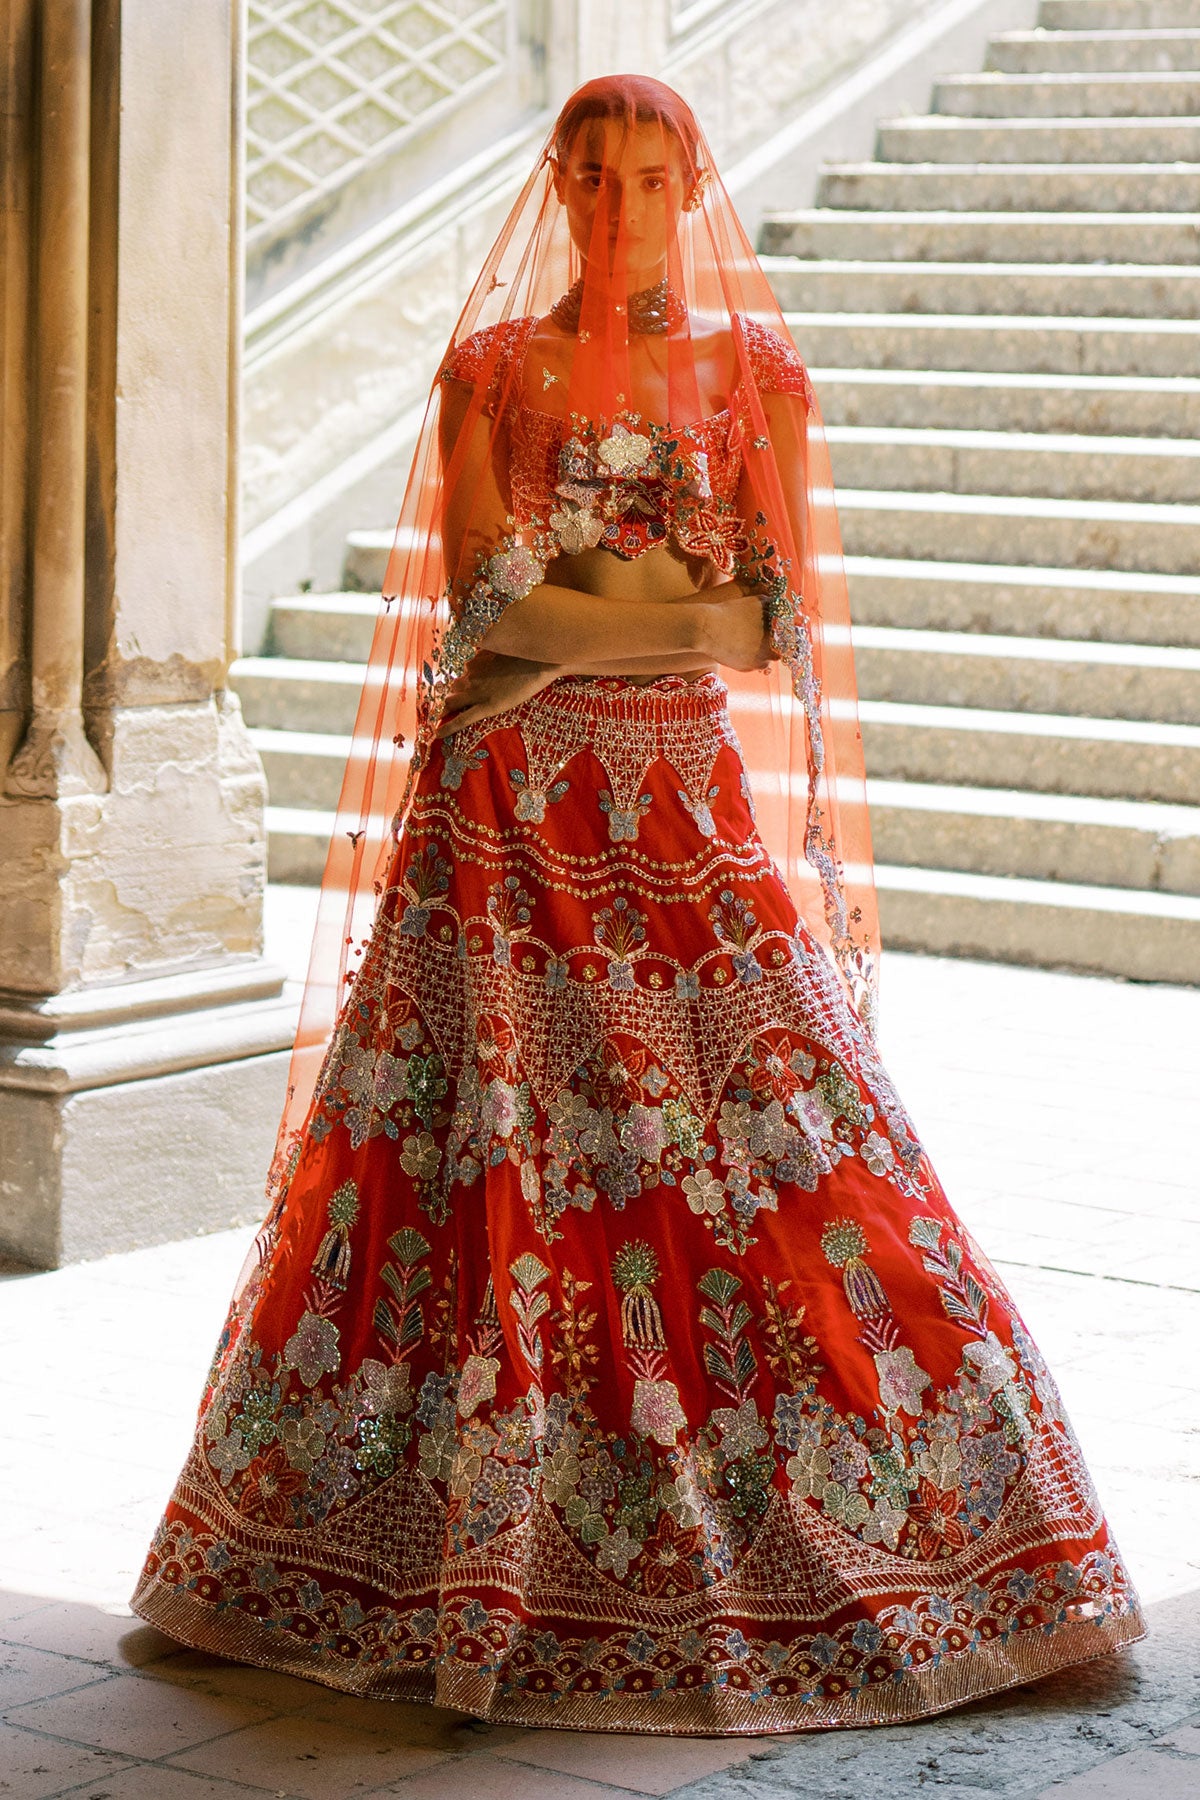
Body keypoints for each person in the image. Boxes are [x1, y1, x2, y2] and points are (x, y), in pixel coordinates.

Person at [131, 74, 1144, 1734]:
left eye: (646, 178)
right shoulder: (487, 371)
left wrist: (583, 617)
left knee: (789, 1142)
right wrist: (648, 606)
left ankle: (933, 1537)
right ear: (556, 185)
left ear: (692, 186)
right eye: (586, 177)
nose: (614, 206)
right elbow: (485, 604)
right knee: (472, 1166)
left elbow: (757, 625)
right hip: (503, 832)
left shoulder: (756, 378)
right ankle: (394, 1548)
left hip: (676, 819)